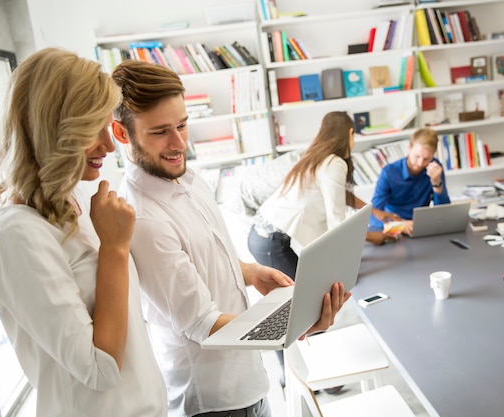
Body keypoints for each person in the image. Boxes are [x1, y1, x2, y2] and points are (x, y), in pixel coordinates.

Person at [110, 60, 349, 417]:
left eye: (182, 125)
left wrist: (250, 272)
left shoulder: (189, 178)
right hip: (213, 401)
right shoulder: (143, 217)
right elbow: (203, 324)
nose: (179, 144)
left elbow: (202, 257)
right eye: (160, 132)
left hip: (247, 381)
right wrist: (297, 322)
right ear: (121, 133)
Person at [0, 48, 167, 417]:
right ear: (54, 130)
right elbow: (100, 368)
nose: (109, 144)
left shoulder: (73, 200)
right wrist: (114, 249)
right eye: (92, 129)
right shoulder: (17, 234)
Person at [248, 111, 398, 280]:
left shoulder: (316, 156)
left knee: (307, 293)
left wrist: (374, 212)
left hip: (261, 236)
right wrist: (370, 237)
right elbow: (337, 223)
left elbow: (338, 193)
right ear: (350, 133)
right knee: (306, 297)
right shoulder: (335, 163)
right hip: (270, 241)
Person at [369, 127, 450, 240]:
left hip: (422, 229)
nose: (420, 163)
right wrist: (399, 225)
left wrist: (437, 183)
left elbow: (443, 212)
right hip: (394, 228)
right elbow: (372, 216)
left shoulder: (435, 168)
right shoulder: (389, 172)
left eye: (426, 159)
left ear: (433, 154)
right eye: (417, 156)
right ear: (409, 147)